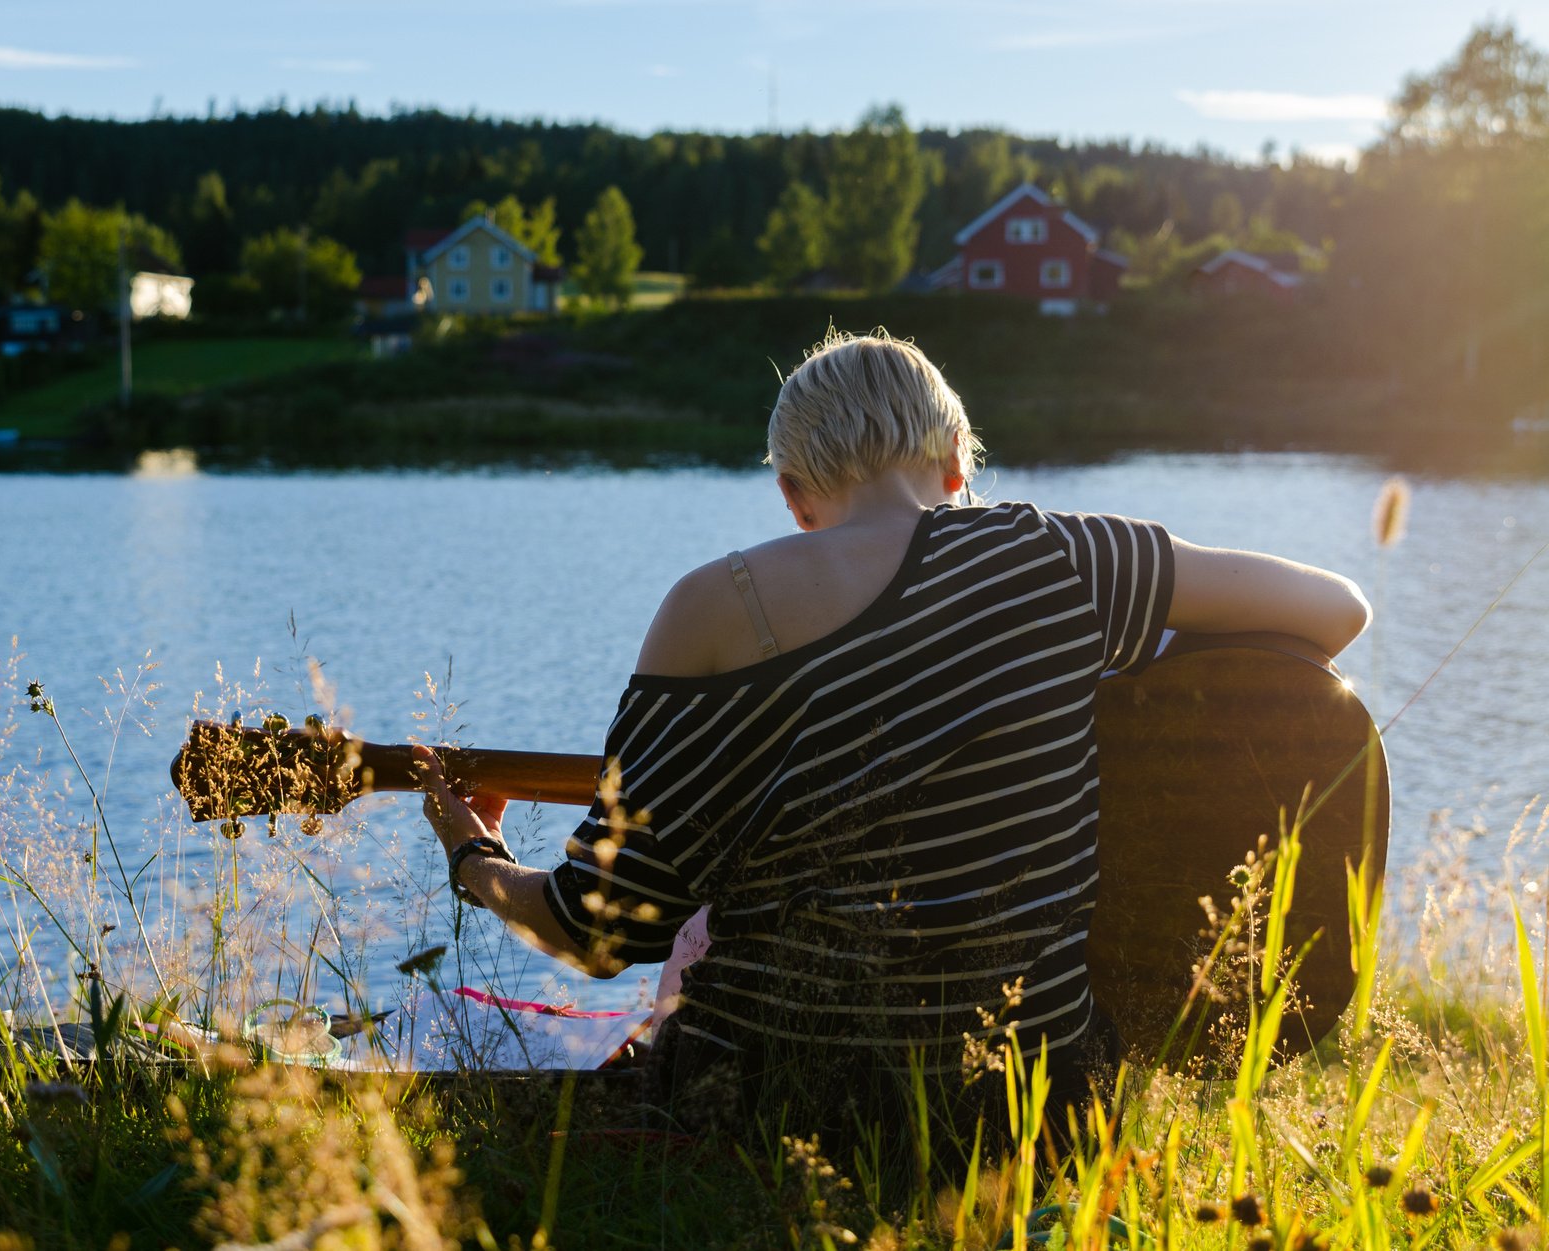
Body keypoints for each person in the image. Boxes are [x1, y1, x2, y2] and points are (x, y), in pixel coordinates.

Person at [413, 327, 1370, 1165]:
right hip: (1039, 1114)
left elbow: (600, 931)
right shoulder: (1064, 557)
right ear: (959, 461)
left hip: (780, 1116)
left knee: (697, 932)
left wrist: (475, 859)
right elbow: (1337, 612)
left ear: (793, 495)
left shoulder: (713, 606)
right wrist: (1116, 710)